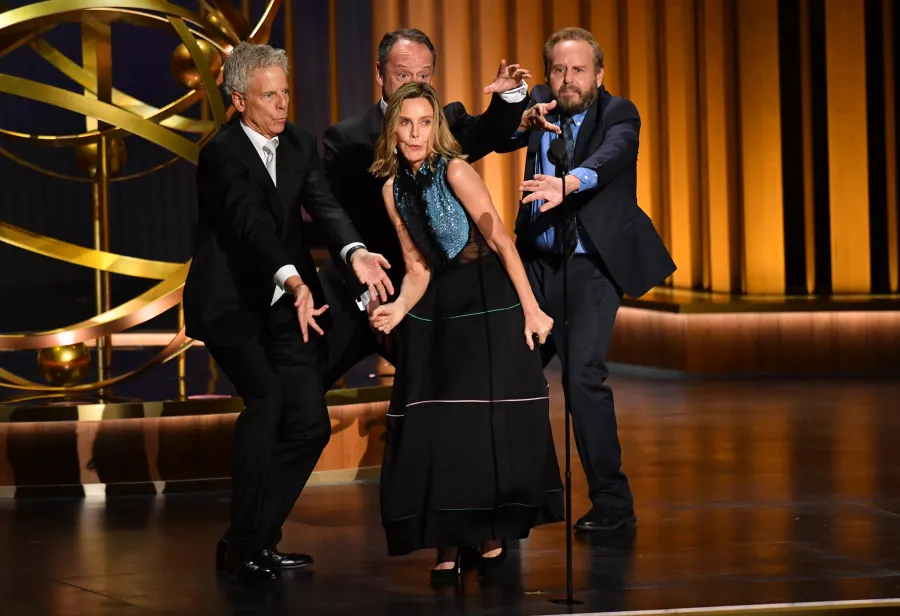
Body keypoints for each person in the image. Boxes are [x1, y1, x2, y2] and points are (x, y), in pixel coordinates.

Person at [182, 42, 393, 582]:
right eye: (268, 95)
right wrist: (295, 279)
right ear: (237, 100)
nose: (281, 105)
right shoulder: (221, 154)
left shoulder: (298, 142)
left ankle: (250, 538)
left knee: (309, 423)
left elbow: (324, 206)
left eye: (285, 93)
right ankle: (245, 547)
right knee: (268, 400)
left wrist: (354, 252)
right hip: (232, 305)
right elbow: (249, 225)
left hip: (290, 307)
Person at [367, 82, 565, 584]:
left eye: (424, 122)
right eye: (406, 123)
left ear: (437, 128)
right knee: (439, 429)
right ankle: (449, 541)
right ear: (393, 129)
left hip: (489, 301)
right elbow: (416, 270)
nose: (414, 133)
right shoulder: (391, 189)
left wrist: (532, 309)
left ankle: (492, 531)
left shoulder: (455, 169)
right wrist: (396, 309)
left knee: (485, 426)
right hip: (437, 310)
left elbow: (501, 241)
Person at [499, 28, 676, 533]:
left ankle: (613, 504)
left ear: (598, 74)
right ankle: (518, 499)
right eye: (558, 69)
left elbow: (612, 156)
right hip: (535, 265)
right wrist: (513, 107)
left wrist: (569, 182)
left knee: (582, 380)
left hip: (591, 267)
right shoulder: (538, 108)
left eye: (578, 70)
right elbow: (502, 134)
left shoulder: (619, 113)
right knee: (511, 378)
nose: (567, 80)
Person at [318, 28, 533, 388]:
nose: (412, 84)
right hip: (355, 289)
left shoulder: (444, 124)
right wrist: (368, 295)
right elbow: (334, 221)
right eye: (403, 74)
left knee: (435, 392)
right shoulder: (347, 138)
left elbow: (488, 133)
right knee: (305, 394)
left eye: (423, 75)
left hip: (422, 290)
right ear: (379, 74)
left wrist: (510, 97)